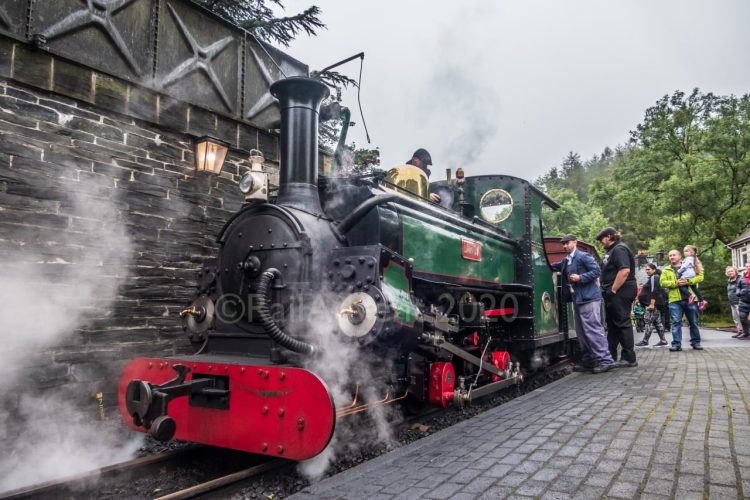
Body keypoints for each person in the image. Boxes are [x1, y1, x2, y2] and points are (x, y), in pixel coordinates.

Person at [551, 234, 615, 374]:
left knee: (593, 329)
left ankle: (606, 360)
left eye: (567, 243)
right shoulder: (567, 260)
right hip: (579, 299)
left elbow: (597, 271)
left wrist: (581, 277)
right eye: (563, 244)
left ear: (575, 242)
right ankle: (589, 360)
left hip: (589, 298)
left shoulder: (583, 256)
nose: (564, 246)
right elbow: (556, 266)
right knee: (581, 332)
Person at [596, 227, 638, 368]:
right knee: (613, 325)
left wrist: (613, 289)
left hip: (621, 290)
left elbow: (624, 270)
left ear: (609, 236)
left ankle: (629, 358)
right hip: (613, 291)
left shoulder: (619, 249)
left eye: (601, 239)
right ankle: (610, 356)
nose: (601, 242)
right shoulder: (611, 251)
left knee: (622, 322)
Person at [660, 249, 704, 350]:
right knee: (676, 322)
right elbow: (662, 283)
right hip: (675, 300)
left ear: (680, 256)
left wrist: (688, 281)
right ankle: (676, 345)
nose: (671, 257)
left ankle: (696, 343)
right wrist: (676, 283)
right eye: (670, 255)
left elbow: (700, 277)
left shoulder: (690, 265)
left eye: (674, 255)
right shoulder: (666, 270)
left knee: (693, 322)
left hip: (691, 299)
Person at [635, 263, 668, 347]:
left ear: (654, 269)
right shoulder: (653, 277)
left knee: (648, 321)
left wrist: (652, 304)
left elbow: (654, 291)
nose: (647, 271)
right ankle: (663, 340)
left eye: (648, 269)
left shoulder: (654, 277)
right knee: (657, 323)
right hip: (654, 304)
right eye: (646, 269)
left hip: (653, 304)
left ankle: (645, 341)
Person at [676, 245, 707, 311]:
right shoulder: (693, 259)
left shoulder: (689, 259)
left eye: (687, 251)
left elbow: (684, 267)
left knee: (681, 286)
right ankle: (702, 300)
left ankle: (690, 295)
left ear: (692, 253)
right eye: (684, 251)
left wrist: (679, 272)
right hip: (691, 275)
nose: (685, 252)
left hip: (687, 275)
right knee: (694, 288)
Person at [726, 266, 743, 337]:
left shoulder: (740, 279)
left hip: (739, 302)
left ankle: (745, 332)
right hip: (732, 302)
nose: (730, 272)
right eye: (729, 271)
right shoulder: (729, 281)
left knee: (742, 317)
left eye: (731, 271)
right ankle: (740, 331)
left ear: (735, 271)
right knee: (735, 318)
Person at [736, 267, 750, 339]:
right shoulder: (741, 278)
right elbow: (738, 287)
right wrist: (738, 292)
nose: (748, 268)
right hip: (743, 301)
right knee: (742, 318)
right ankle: (746, 333)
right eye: (747, 267)